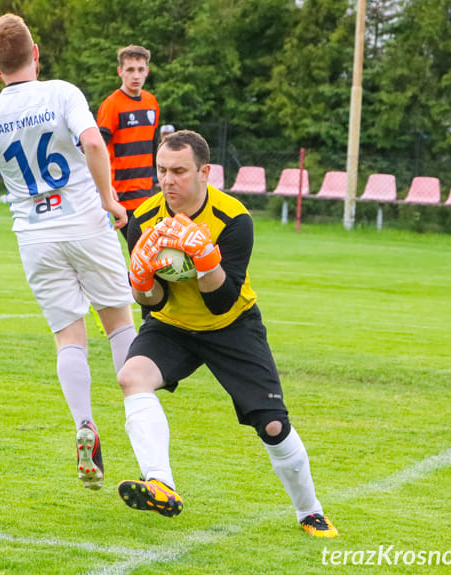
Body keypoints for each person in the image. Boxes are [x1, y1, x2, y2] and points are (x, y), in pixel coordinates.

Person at [116, 130, 338, 538]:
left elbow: (221, 301)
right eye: (162, 170)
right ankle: (160, 484)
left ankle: (310, 511)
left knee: (272, 425)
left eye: (179, 171)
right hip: (173, 326)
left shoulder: (233, 219)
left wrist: (204, 257)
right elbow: (152, 303)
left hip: (231, 325)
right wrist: (140, 276)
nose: (168, 181)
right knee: (132, 377)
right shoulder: (144, 218)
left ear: (205, 172)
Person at [0, 13, 137, 491]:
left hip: (35, 234)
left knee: (68, 335)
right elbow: (93, 141)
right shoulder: (61, 92)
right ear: (36, 54)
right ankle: (142, 423)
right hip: (86, 225)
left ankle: (84, 424)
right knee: (117, 323)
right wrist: (110, 198)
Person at [97, 45, 160, 240]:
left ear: (147, 72)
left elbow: (154, 146)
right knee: (142, 253)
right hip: (122, 193)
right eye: (130, 70)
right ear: (120, 72)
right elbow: (98, 148)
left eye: (140, 70)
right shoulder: (112, 105)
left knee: (151, 255)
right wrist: (106, 186)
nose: (136, 75)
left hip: (148, 192)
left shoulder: (152, 103)